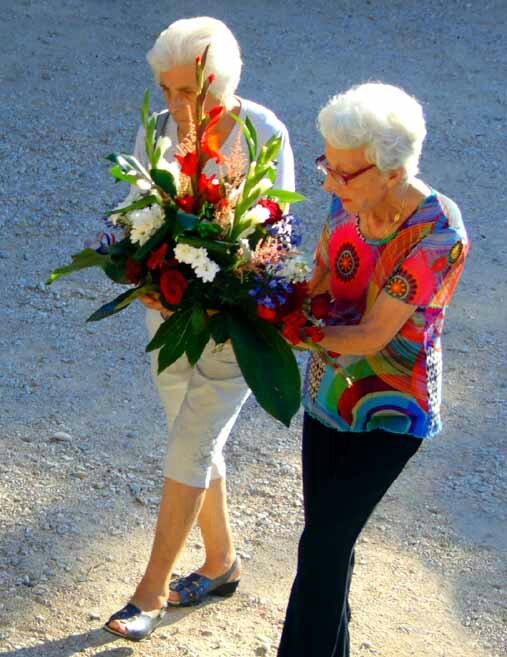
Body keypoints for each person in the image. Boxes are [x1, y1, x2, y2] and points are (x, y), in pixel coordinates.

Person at [104, 17, 294, 641]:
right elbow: (136, 212)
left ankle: (150, 589)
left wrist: (228, 287)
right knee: (192, 438)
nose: (175, 106)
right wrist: (148, 276)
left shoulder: (265, 131)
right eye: (167, 90)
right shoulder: (156, 129)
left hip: (231, 326)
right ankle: (221, 562)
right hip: (169, 316)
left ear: (222, 82)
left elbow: (272, 234)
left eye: (188, 92)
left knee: (191, 441)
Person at [277, 82, 468, 657]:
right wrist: (268, 298)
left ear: (392, 170)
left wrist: (293, 332)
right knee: (330, 546)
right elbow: (322, 276)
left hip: (391, 411)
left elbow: (371, 336)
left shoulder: (439, 235)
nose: (330, 184)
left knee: (324, 545)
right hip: (328, 397)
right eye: (327, 168)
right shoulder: (349, 196)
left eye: (343, 173)